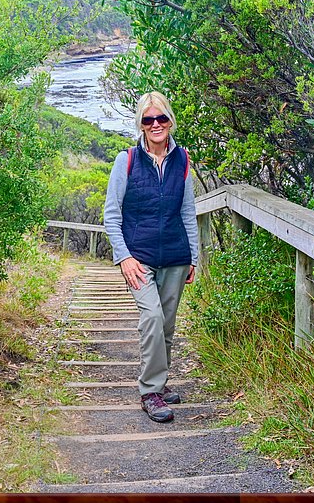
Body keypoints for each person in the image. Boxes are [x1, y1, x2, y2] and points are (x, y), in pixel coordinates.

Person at [103, 91, 199, 423]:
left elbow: (188, 213)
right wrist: (124, 257)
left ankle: (159, 382)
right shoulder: (126, 160)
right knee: (153, 318)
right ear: (141, 125)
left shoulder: (183, 160)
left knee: (167, 325)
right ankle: (150, 392)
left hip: (175, 255)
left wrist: (194, 258)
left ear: (170, 121)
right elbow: (111, 216)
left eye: (161, 118)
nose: (155, 124)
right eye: (148, 120)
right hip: (139, 256)